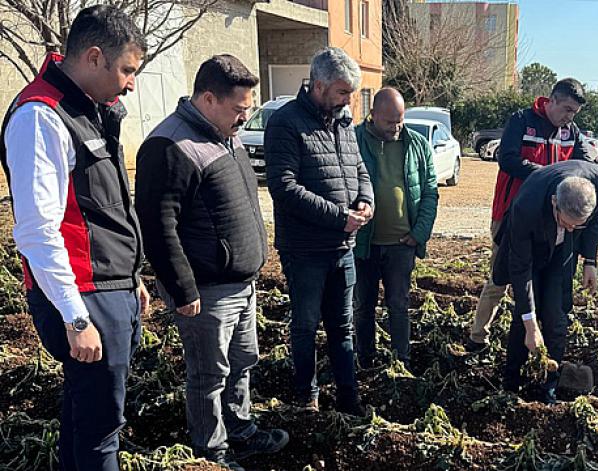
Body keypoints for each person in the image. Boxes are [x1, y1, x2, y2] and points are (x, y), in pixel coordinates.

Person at [0, 6, 149, 470]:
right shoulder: (40, 117)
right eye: (126, 70)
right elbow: (37, 230)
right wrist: (75, 316)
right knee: (101, 427)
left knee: (86, 415)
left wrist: (130, 277)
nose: (130, 83)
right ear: (93, 56)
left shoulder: (88, 111)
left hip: (108, 286)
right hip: (82, 295)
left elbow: (104, 209)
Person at [134, 55, 289, 470]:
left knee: (243, 362)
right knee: (208, 375)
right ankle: (212, 452)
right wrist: (182, 289)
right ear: (208, 99)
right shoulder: (169, 146)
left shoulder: (224, 134)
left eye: (248, 108)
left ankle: (240, 430)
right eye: (239, 109)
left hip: (242, 283)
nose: (245, 117)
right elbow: (158, 225)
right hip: (205, 289)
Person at [264, 47, 373, 415]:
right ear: (320, 85)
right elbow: (284, 186)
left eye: (351, 94)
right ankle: (306, 395)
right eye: (343, 92)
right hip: (305, 249)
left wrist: (364, 202)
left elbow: (360, 170)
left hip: (342, 247)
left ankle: (348, 396)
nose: (348, 100)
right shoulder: (286, 122)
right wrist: (338, 217)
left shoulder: (343, 122)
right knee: (306, 325)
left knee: (343, 327)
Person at [466, 78, 595, 351]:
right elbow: (508, 159)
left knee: (538, 279)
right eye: (567, 109)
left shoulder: (571, 132)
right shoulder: (522, 120)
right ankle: (478, 336)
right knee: (500, 276)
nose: (570, 117)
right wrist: (547, 175)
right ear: (552, 100)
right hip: (512, 213)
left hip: (551, 219)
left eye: (575, 112)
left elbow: (585, 164)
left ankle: (528, 331)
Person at [492, 160, 598, 403]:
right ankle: (511, 384)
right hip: (531, 249)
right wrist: (531, 326)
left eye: (576, 225)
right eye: (566, 222)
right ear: (555, 203)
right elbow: (521, 268)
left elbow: (597, 219)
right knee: (524, 317)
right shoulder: (527, 206)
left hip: (562, 253)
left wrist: (590, 260)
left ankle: (549, 387)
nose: (569, 228)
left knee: (557, 315)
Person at [352, 87, 438, 368]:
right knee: (363, 306)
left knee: (399, 305)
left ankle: (401, 359)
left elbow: (429, 191)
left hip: (401, 244)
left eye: (400, 120)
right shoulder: (354, 141)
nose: (396, 127)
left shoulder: (417, 145)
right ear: (373, 114)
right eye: (390, 121)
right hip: (365, 243)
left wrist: (419, 233)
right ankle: (365, 359)